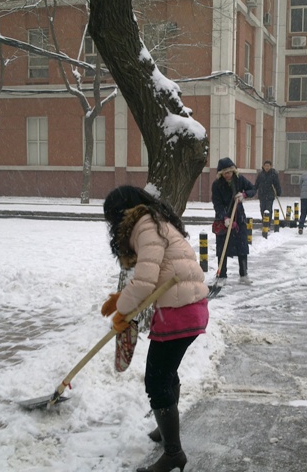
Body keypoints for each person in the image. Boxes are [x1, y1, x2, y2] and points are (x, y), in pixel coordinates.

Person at [101, 185, 209, 472]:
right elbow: (154, 274)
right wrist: (120, 300)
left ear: (121, 213)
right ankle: (166, 430)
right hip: (187, 308)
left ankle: (174, 453)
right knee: (166, 373)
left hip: (179, 311)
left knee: (156, 381)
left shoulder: (145, 226)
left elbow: (146, 282)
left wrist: (122, 311)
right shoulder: (155, 222)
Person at [211, 157, 256, 285]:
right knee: (222, 248)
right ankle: (221, 275)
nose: (228, 175)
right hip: (223, 220)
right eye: (225, 173)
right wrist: (225, 217)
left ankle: (244, 274)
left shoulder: (239, 180)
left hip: (238, 217)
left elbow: (253, 189)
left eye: (230, 172)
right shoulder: (217, 185)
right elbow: (217, 203)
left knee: (242, 247)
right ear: (221, 173)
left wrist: (244, 195)